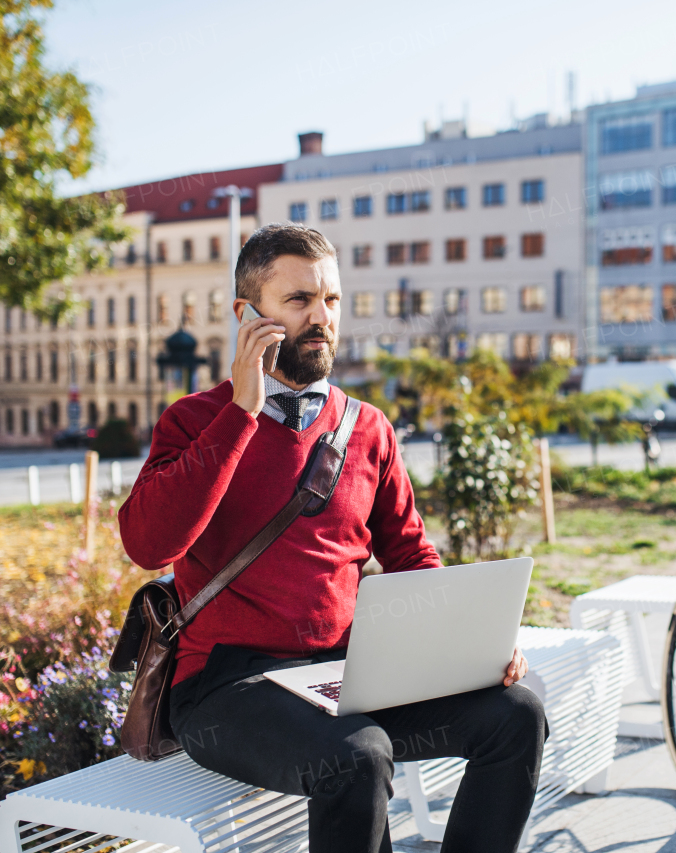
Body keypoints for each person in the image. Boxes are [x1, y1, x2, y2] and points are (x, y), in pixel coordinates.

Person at [118, 224, 546, 853]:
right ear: (248, 315)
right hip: (225, 689)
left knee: (516, 715)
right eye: (298, 302)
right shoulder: (194, 419)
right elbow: (150, 546)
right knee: (359, 756)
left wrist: (476, 650)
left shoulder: (366, 427)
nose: (322, 318)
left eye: (332, 301)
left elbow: (410, 556)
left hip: (348, 677)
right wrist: (240, 410)